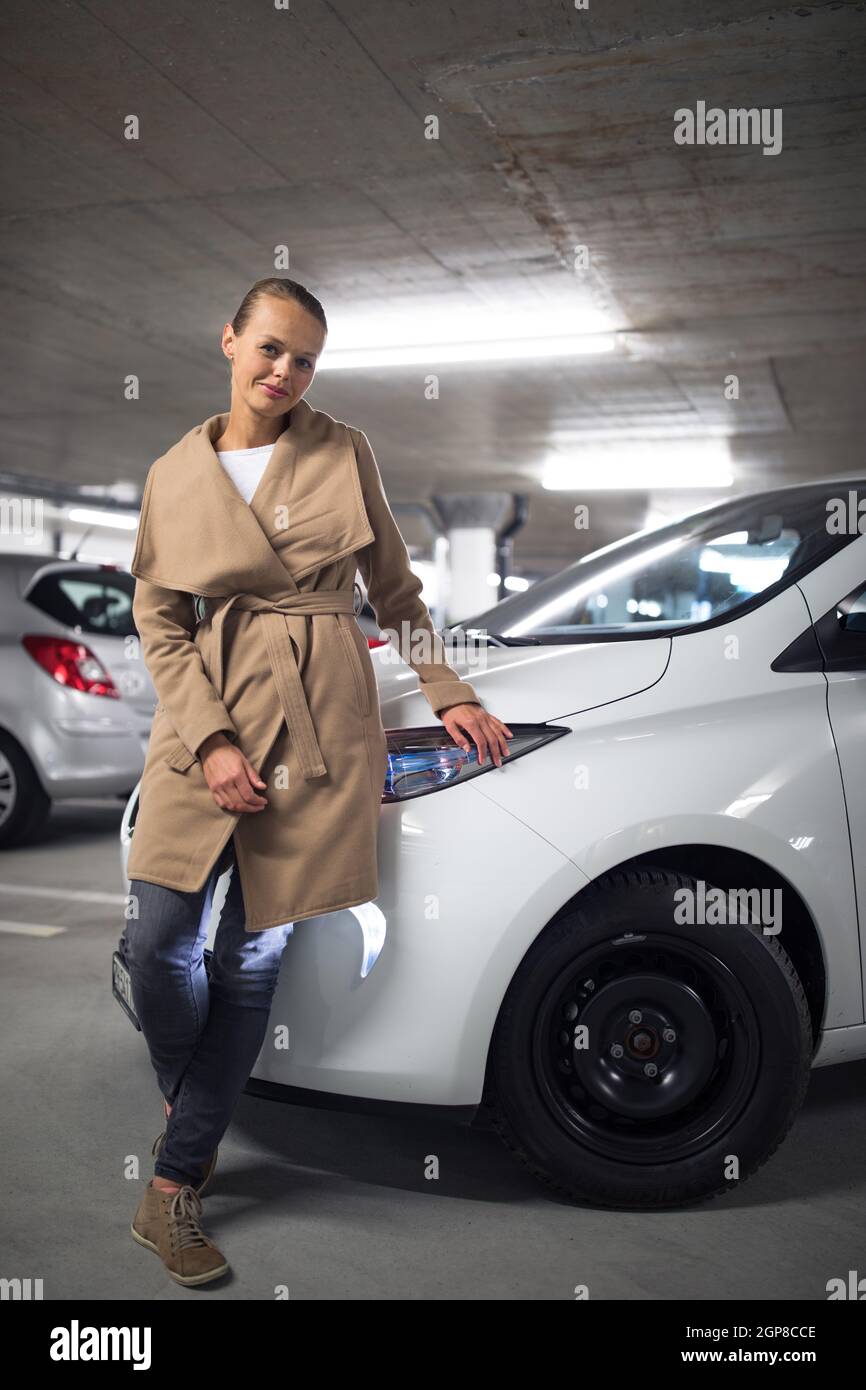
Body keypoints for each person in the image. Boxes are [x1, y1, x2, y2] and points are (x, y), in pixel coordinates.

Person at [121, 277, 512, 1286]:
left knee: (252, 961)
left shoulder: (342, 450)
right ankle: (194, 1100)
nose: (283, 370)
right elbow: (160, 623)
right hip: (206, 711)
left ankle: (171, 1189)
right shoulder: (173, 472)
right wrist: (208, 740)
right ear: (229, 341)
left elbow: (393, 588)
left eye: (303, 358)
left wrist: (445, 683)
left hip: (320, 715)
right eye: (269, 348)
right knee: (160, 941)